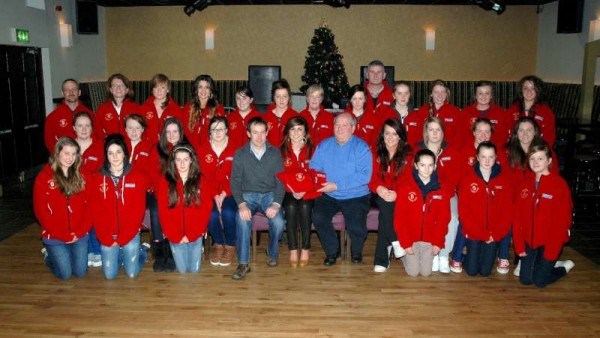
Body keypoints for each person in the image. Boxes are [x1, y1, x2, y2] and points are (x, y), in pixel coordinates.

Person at [310, 112, 373, 266]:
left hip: (356, 195)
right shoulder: (324, 145)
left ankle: (356, 251)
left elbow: (364, 176)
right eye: (337, 124)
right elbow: (314, 168)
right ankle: (332, 251)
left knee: (357, 225)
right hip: (329, 195)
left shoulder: (362, 147)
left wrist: (337, 185)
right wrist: (321, 184)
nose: (340, 128)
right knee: (318, 217)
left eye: (345, 125)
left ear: (353, 128)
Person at [230, 117, 286, 280]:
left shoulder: (275, 152)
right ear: (248, 134)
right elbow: (235, 182)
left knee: (278, 221)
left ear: (267, 133)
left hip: (269, 194)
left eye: (263, 132)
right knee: (241, 219)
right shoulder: (240, 154)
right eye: (255, 133)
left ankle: (272, 252)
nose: (259, 137)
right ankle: (243, 263)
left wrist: (276, 204)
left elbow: (281, 181)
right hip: (248, 194)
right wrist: (241, 204)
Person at [513, 142, 574, 287]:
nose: (535, 162)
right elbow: (516, 218)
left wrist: (552, 251)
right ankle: (543, 265)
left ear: (549, 161)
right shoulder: (524, 185)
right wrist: (519, 245)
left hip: (549, 243)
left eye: (540, 158)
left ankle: (562, 267)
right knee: (525, 280)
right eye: (532, 158)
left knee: (539, 282)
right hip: (530, 242)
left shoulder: (559, 186)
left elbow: (563, 221)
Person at [89, 134, 149, 280]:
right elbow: (95, 210)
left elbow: (138, 211)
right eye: (110, 153)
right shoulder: (97, 178)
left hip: (130, 231)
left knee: (131, 273)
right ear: (106, 155)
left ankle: (141, 251)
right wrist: (106, 236)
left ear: (124, 153)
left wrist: (124, 237)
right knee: (110, 275)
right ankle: (122, 253)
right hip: (107, 232)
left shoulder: (137, 176)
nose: (114, 157)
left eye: (118, 152)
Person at [505, 117, 558, 277]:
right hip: (513, 201)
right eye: (521, 130)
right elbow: (502, 181)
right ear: (516, 133)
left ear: (536, 132)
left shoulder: (546, 152)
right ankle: (518, 254)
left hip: (535, 204)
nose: (525, 133)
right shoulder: (507, 152)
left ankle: (544, 261)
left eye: (529, 130)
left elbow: (552, 183)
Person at [33, 137, 91, 279]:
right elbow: (41, 211)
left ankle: (65, 254)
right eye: (66, 153)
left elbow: (91, 207)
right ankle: (49, 256)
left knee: (80, 272)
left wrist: (80, 231)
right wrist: (62, 235)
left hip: (79, 233)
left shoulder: (84, 175)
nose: (70, 158)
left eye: (73, 154)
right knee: (65, 275)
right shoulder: (44, 177)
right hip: (55, 234)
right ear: (57, 153)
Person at [412, 117, 461, 273]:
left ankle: (443, 255)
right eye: (431, 129)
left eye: (438, 130)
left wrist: (442, 194)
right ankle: (429, 254)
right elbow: (412, 175)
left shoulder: (451, 151)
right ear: (426, 132)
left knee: (452, 217)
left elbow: (454, 178)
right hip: (423, 192)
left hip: (447, 193)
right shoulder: (416, 150)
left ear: (443, 132)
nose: (434, 133)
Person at [156, 143, 213, 273]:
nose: (182, 164)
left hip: (195, 233)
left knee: (194, 271)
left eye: (185, 160)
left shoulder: (201, 180)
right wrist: (173, 234)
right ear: (173, 161)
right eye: (178, 160)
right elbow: (163, 211)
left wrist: (196, 232)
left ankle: (198, 251)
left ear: (191, 160)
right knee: (182, 271)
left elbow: (206, 208)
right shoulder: (165, 181)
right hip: (175, 234)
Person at [458, 141, 512, 277]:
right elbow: (464, 212)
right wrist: (481, 234)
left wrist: (495, 234)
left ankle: (478, 255)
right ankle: (465, 255)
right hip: (475, 233)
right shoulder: (468, 179)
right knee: (471, 271)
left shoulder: (503, 181)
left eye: (491, 157)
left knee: (485, 272)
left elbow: (507, 212)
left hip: (493, 234)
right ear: (477, 157)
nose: (487, 161)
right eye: (483, 157)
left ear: (496, 158)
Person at [394, 149, 450, 277]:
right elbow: (399, 218)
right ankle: (403, 255)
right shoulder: (406, 187)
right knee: (413, 273)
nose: (427, 169)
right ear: (416, 166)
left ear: (435, 166)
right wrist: (406, 243)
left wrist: (438, 241)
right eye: (422, 165)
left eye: (430, 165)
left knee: (426, 273)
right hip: (410, 239)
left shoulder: (441, 189)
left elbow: (444, 218)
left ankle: (421, 258)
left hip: (429, 240)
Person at [369, 118, 412, 273]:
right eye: (387, 133)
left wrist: (397, 194)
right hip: (378, 193)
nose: (390, 137)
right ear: (382, 135)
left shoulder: (408, 155)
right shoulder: (375, 153)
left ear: (400, 136)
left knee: (386, 212)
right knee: (386, 203)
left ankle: (382, 256)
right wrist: (379, 188)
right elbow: (371, 178)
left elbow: (409, 181)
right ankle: (395, 240)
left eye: (394, 134)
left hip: (399, 195)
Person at [147, 117, 189, 272]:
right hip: (159, 191)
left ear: (180, 132)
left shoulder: (187, 148)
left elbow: (192, 173)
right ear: (163, 133)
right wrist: (160, 193)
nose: (171, 135)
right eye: (168, 132)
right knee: (156, 210)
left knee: (176, 207)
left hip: (181, 191)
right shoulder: (156, 149)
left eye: (175, 131)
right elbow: (151, 174)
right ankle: (160, 253)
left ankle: (172, 251)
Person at [198, 117, 238, 267]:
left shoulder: (236, 149)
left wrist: (224, 193)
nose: (218, 132)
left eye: (221, 129)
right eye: (214, 129)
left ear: (227, 130)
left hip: (231, 191)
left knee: (228, 212)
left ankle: (230, 245)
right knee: (211, 213)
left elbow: (238, 176)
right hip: (209, 193)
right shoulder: (202, 150)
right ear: (209, 132)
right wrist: (214, 195)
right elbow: (201, 178)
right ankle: (218, 244)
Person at [279, 116, 318, 267]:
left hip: (308, 191)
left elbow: (317, 174)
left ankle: (306, 248)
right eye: (293, 129)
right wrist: (292, 189)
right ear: (287, 132)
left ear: (305, 132)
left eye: (300, 129)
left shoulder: (312, 150)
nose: (296, 133)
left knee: (305, 206)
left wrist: (305, 191)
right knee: (290, 207)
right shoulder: (281, 150)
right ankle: (293, 248)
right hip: (288, 191)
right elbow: (278, 175)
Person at [72, 111, 103, 268]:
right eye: (80, 125)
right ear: (74, 128)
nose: (83, 129)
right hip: (74, 193)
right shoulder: (68, 147)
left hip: (95, 192)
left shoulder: (100, 146)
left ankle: (96, 250)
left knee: (95, 215)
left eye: (87, 125)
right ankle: (84, 249)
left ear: (92, 128)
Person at [44, 79, 93, 152]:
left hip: (86, 155)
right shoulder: (53, 117)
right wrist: (60, 156)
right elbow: (49, 141)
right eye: (67, 90)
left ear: (79, 92)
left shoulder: (90, 114)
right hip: (64, 157)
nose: (71, 92)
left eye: (74, 89)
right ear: (62, 93)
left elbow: (96, 136)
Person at [506, 75, 556, 147]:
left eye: (533, 88)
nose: (529, 91)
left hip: (538, 148)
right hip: (516, 147)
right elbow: (507, 132)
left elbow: (550, 137)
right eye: (525, 88)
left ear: (538, 90)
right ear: (521, 91)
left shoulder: (546, 111)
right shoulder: (512, 110)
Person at [415, 79, 465, 147]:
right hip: (427, 150)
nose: (440, 95)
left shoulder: (455, 112)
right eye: (436, 92)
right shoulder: (422, 111)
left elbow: (459, 137)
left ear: (447, 94)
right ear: (431, 94)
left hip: (449, 151)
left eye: (443, 92)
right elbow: (418, 135)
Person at [182, 75, 225, 151]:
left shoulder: (218, 109)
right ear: (196, 90)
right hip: (191, 150)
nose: (203, 90)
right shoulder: (188, 107)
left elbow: (222, 131)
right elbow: (183, 131)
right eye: (200, 87)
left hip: (212, 150)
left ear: (211, 90)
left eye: (207, 87)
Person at [462, 81, 510, 147]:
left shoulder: (500, 113)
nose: (484, 96)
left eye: (487, 93)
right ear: (475, 95)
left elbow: (504, 136)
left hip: (494, 151)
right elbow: (461, 135)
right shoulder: (465, 112)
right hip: (470, 151)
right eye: (480, 93)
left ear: (491, 96)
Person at [95, 73, 140, 141]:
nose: (118, 88)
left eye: (121, 85)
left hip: (130, 144)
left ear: (127, 90)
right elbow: (97, 130)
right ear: (111, 90)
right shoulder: (102, 109)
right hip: (109, 146)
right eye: (115, 85)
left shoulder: (136, 108)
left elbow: (142, 129)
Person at [140, 74, 182, 144]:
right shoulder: (143, 108)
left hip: (168, 148)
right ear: (152, 90)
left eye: (162, 87)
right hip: (148, 147)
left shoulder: (176, 109)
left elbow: (180, 133)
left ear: (168, 89)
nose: (159, 91)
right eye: (156, 87)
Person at [263, 79, 297, 148]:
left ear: (289, 97)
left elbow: (304, 139)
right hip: (270, 156)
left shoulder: (296, 117)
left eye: (284, 96)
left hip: (289, 156)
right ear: (273, 98)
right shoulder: (265, 117)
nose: (281, 100)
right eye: (278, 96)